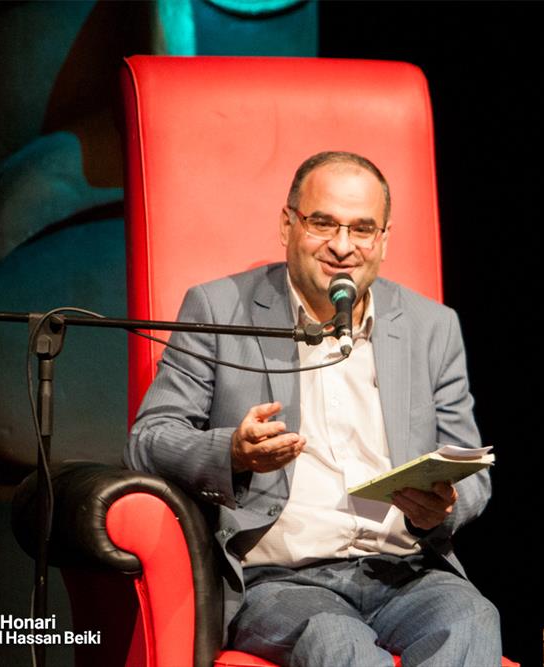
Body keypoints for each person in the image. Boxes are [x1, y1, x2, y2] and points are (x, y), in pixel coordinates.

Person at [126, 151, 501, 666]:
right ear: (288, 224)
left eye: (362, 229)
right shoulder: (218, 308)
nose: (343, 247)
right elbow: (149, 439)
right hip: (280, 580)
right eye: (323, 223)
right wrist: (232, 452)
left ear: (384, 239)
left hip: (403, 571)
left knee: (473, 617)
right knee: (336, 638)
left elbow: (472, 471)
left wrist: (446, 503)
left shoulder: (431, 326)